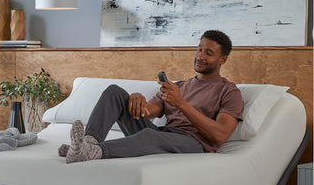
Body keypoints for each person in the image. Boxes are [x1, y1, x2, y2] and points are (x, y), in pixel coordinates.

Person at [59, 30, 244, 164]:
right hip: (165, 135)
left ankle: (94, 152)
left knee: (151, 135)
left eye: (209, 53)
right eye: (199, 49)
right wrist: (135, 98)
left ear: (223, 60)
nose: (200, 56)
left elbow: (220, 135)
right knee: (114, 92)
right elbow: (146, 112)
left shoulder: (228, 91)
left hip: (194, 143)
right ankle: (87, 144)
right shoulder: (178, 86)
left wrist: (181, 103)